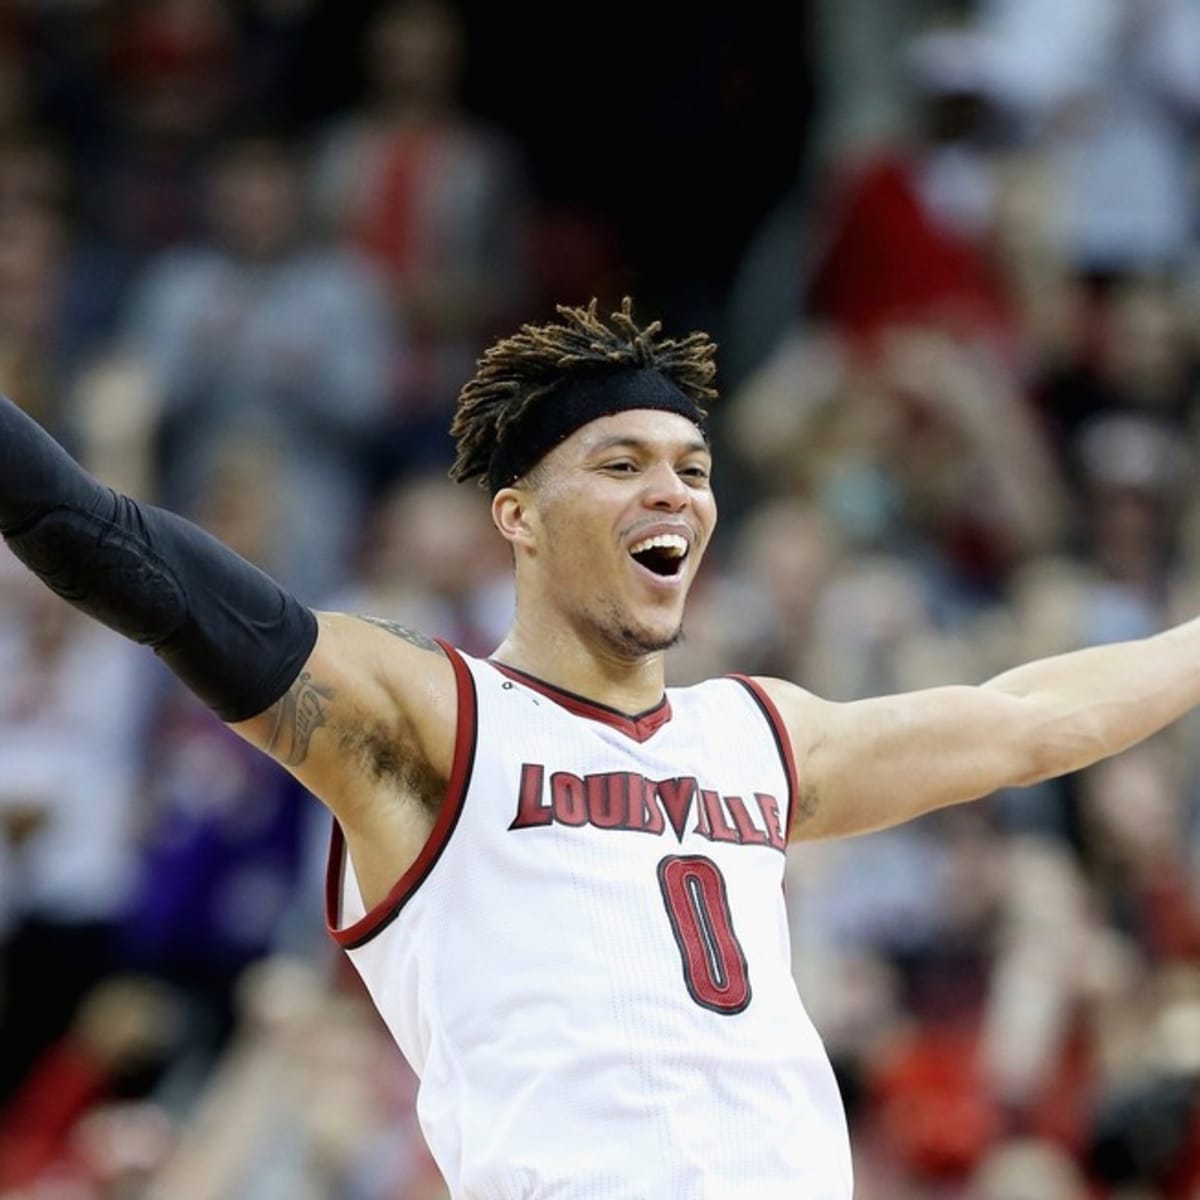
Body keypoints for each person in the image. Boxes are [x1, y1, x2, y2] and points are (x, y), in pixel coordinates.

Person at [3, 298, 1200, 1198]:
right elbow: (119, 550)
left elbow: (1032, 720)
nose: (671, 492)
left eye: (693, 470)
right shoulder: (439, 721)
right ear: (517, 517)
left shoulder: (759, 734)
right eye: (621, 466)